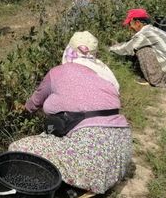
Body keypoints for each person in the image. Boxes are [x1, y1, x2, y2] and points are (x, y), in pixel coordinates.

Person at [9, 31, 131, 195]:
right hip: (121, 153)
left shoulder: (58, 72)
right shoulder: (104, 73)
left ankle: (68, 185)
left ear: (69, 49)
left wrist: (23, 109)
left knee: (17, 148)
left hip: (93, 157)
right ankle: (76, 183)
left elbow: (34, 103)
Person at [109, 8, 166, 89]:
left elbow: (127, 48)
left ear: (137, 23)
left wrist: (110, 49)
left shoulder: (144, 34)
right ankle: (154, 74)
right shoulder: (153, 30)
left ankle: (155, 79)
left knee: (143, 50)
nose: (130, 27)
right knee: (142, 47)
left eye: (130, 24)